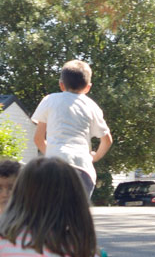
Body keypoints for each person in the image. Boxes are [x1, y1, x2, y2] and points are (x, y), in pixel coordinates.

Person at [31, 60, 113, 199]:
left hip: (54, 167)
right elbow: (107, 140)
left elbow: (38, 139)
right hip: (83, 167)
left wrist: (51, 152)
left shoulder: (49, 100)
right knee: (77, 214)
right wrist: (95, 156)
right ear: (88, 87)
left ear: (61, 85)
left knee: (52, 213)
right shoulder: (92, 106)